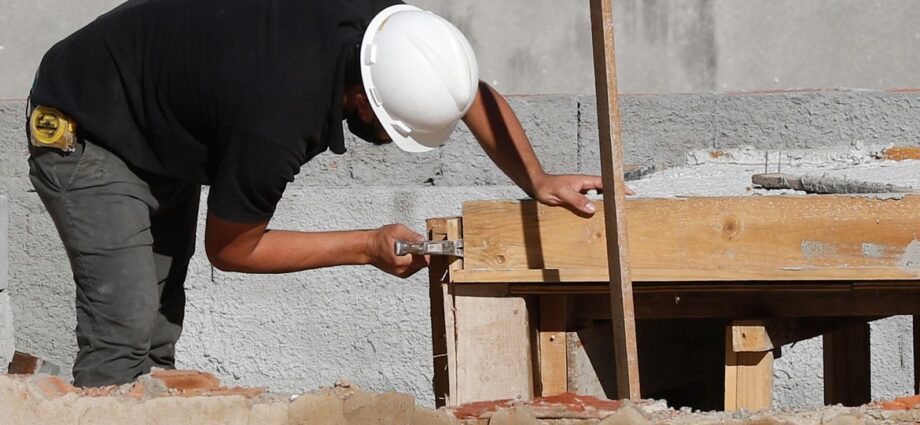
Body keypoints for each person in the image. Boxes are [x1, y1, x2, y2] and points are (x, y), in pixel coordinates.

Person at [27, 0, 606, 388]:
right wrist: (366, 246)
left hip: (159, 108)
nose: (389, 142)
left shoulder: (386, 32)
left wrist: (537, 179)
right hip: (88, 122)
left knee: (155, 333)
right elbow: (232, 249)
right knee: (125, 330)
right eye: (393, 131)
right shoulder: (276, 120)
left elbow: (464, 90)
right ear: (363, 101)